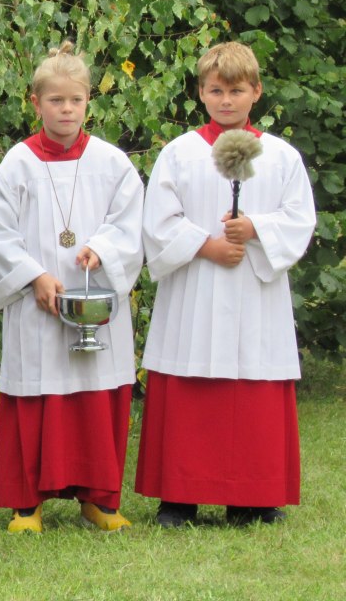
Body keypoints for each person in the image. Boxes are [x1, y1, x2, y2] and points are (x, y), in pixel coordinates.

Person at [136, 41, 315, 528]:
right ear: (201, 92)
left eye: (236, 91)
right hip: (196, 287)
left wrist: (255, 227)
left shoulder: (280, 156)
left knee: (253, 389)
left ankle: (252, 498)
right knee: (189, 384)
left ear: (256, 91)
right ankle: (179, 498)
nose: (226, 100)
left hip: (255, 293)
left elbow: (300, 218)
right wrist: (207, 245)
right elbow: (158, 222)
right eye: (216, 91)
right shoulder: (180, 153)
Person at [0, 42, 143, 533]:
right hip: (38, 305)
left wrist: (103, 249)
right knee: (35, 393)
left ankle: (100, 500)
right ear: (36, 103)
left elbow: (130, 223)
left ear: (89, 101)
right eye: (56, 100)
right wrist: (33, 276)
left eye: (75, 100)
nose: (66, 109)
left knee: (97, 395)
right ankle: (27, 505)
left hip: (95, 300)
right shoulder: (18, 164)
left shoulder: (112, 163)